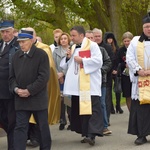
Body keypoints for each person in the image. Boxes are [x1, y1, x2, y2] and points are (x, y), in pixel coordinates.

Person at [60, 25, 104, 146]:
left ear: (81, 35)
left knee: (92, 109)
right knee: (81, 110)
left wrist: (83, 61)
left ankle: (92, 135)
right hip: (77, 86)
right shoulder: (73, 47)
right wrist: (68, 57)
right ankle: (86, 133)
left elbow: (99, 62)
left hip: (90, 84)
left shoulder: (92, 45)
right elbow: (66, 66)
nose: (71, 38)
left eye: (73, 35)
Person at [9, 30, 51, 150]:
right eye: (19, 42)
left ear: (31, 41)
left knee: (42, 128)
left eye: (23, 42)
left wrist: (29, 90)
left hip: (38, 99)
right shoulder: (17, 56)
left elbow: (43, 77)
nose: (21, 44)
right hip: (21, 99)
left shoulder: (41, 55)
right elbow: (11, 78)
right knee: (20, 128)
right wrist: (16, 89)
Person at [22, 27, 60, 147]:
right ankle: (30, 136)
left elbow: (48, 68)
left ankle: (38, 138)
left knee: (39, 116)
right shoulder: (22, 49)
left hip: (39, 87)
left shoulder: (44, 49)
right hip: (24, 87)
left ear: (33, 37)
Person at [126, 12, 150, 145]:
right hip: (140, 80)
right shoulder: (135, 41)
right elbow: (129, 58)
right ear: (142, 27)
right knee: (141, 109)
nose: (149, 28)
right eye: (146, 26)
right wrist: (138, 70)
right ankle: (141, 134)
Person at [86, 30, 112, 135]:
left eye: (92, 38)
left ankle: (104, 126)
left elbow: (108, 62)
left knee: (101, 103)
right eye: (88, 38)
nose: (91, 40)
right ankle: (90, 128)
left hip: (101, 81)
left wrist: (100, 71)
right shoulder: (80, 51)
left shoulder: (101, 50)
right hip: (86, 83)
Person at [0, 20, 19, 150]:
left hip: (11, 90)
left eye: (7, 31)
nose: (5, 34)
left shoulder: (18, 46)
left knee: (12, 121)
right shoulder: (0, 45)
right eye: (2, 32)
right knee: (3, 120)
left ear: (13, 31)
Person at [92, 28, 115, 125]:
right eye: (95, 36)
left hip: (105, 77)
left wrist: (102, 71)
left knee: (105, 100)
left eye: (98, 36)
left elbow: (111, 62)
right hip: (93, 79)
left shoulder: (107, 47)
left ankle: (106, 120)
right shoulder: (89, 47)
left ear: (102, 37)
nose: (97, 38)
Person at [53, 32, 71, 130]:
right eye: (61, 39)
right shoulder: (55, 51)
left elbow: (71, 63)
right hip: (58, 78)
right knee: (60, 99)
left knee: (68, 99)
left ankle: (70, 119)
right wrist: (58, 75)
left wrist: (63, 73)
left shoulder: (72, 49)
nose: (63, 40)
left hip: (68, 77)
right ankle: (62, 120)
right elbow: (53, 63)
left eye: (65, 38)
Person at [104, 32, 123, 114]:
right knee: (108, 91)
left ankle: (118, 105)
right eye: (108, 38)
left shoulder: (117, 48)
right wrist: (111, 69)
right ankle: (111, 107)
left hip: (116, 70)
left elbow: (117, 60)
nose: (110, 40)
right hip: (108, 71)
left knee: (117, 89)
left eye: (111, 38)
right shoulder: (105, 48)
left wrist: (116, 69)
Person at [116, 31, 133, 111]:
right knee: (128, 95)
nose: (126, 43)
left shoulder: (135, 49)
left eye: (128, 41)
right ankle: (131, 114)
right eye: (125, 41)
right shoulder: (120, 50)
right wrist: (124, 64)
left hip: (135, 74)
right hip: (125, 76)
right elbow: (118, 62)